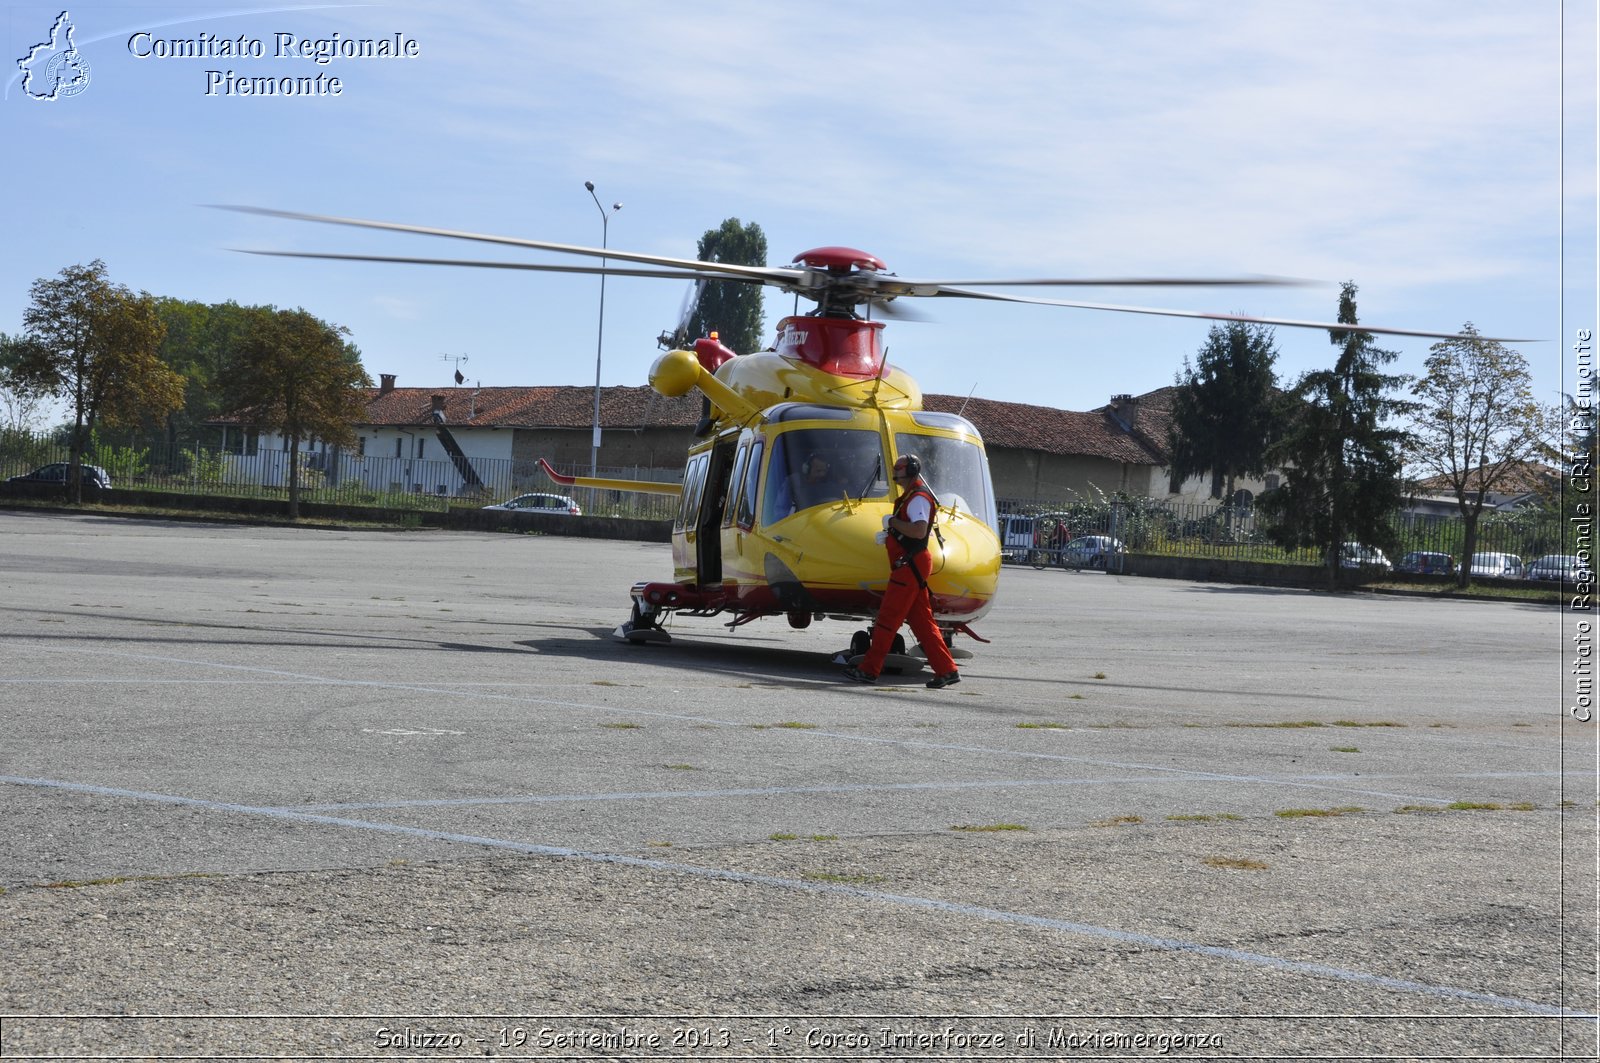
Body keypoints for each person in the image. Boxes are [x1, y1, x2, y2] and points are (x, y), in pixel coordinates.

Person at [843, 453, 961, 688]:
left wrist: (892, 523)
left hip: (909, 566)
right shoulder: (912, 497)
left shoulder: (918, 498)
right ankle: (947, 670)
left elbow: (918, 531)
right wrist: (891, 535)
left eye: (899, 468)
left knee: (888, 619)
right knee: (922, 623)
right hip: (911, 564)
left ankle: (869, 670)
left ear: (910, 470)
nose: (894, 472)